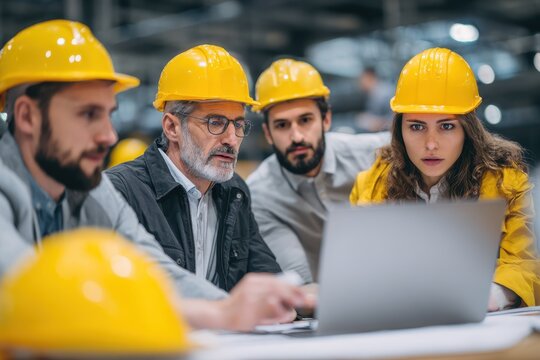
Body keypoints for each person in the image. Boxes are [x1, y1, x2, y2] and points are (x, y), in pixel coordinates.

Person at [0, 19, 311, 331]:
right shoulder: (115, 186)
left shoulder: (92, 190)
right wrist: (218, 314)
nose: (109, 136)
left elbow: (157, 273)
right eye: (88, 115)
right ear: (28, 116)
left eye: (108, 115)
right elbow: (30, 288)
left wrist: (232, 309)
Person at [350, 47, 539, 311]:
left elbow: (524, 264)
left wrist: (492, 295)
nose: (430, 144)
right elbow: (356, 270)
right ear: (399, 130)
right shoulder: (372, 184)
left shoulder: (505, 181)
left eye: (447, 126)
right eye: (416, 126)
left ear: (468, 129)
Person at [106, 45, 282, 292]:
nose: (231, 139)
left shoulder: (235, 192)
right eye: (216, 122)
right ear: (172, 127)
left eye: (239, 125)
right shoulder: (120, 192)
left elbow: (268, 279)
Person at [246, 59, 389, 283]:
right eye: (282, 125)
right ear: (267, 133)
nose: (297, 137)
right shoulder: (260, 195)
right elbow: (299, 280)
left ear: (326, 119)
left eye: (305, 120)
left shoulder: (372, 155)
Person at [356, 66, 394, 132]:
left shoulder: (383, 94)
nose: (359, 83)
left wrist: (376, 123)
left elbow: (393, 119)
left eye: (361, 79)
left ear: (369, 77)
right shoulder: (373, 93)